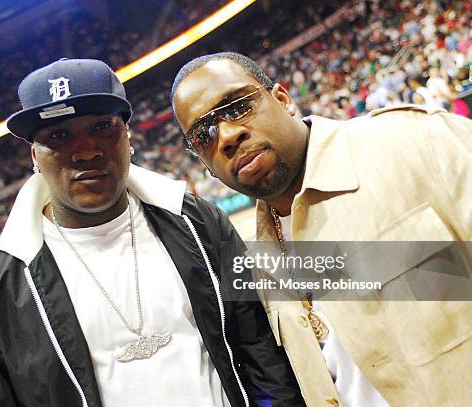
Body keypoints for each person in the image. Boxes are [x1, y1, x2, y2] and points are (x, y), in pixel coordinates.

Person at [0, 58, 303, 407]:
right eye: (59, 136)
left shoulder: (196, 221)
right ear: (35, 155)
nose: (87, 150)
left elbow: (258, 348)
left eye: (102, 126)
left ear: (127, 136)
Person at [170, 52, 472, 406]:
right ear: (205, 166)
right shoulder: (260, 265)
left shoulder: (415, 143)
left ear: (283, 99)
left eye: (236, 107)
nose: (227, 136)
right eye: (203, 135)